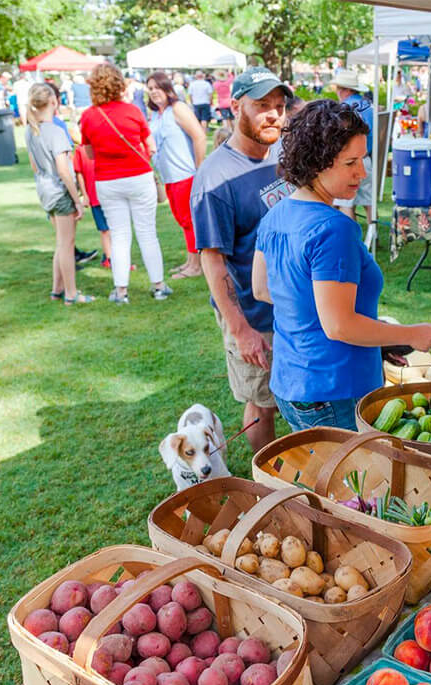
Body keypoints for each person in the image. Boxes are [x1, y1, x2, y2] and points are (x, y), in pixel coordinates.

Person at [253, 99, 431, 432]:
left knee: (320, 477)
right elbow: (339, 326)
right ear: (316, 163)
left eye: (364, 159)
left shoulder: (275, 214)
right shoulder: (333, 228)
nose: (363, 172)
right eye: (350, 163)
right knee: (351, 483)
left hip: (291, 383)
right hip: (335, 390)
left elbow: (264, 289)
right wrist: (413, 335)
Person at [190, 67, 293, 454]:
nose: (274, 115)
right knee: (262, 403)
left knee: (295, 394)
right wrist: (241, 329)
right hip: (253, 314)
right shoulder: (215, 178)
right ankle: (267, 476)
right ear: (236, 107)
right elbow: (212, 261)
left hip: (294, 305)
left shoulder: (282, 153)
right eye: (262, 105)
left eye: (280, 106)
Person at [79, 62, 171, 304]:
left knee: (119, 235)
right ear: (119, 83)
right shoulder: (133, 111)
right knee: (147, 232)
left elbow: (89, 153)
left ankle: (121, 291)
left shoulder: (88, 116)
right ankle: (159, 286)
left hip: (108, 180)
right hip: (138, 176)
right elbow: (150, 146)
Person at [23, 83, 93, 305]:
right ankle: (71, 294)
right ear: (53, 101)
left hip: (44, 190)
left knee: (61, 242)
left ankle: (57, 289)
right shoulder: (55, 131)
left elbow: (34, 165)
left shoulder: (30, 130)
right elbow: (63, 169)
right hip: (59, 192)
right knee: (67, 244)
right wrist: (77, 200)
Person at [146, 71, 207, 278]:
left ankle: (196, 266)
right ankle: (190, 260)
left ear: (167, 88)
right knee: (182, 220)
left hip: (185, 173)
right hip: (169, 176)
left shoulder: (178, 109)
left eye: (157, 87)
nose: (154, 92)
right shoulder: (156, 114)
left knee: (190, 220)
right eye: (150, 88)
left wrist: (200, 171)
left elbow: (199, 136)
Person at [330, 69, 373, 224]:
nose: (337, 92)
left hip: (349, 162)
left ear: (346, 90)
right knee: (369, 202)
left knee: (345, 204)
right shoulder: (368, 106)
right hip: (366, 160)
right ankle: (374, 237)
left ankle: (351, 241)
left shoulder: (344, 109)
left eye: (339, 88)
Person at [73, 141, 113, 270]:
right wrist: (85, 195)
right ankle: (109, 258)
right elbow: (79, 174)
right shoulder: (80, 150)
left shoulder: (104, 143)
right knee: (105, 229)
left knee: (116, 228)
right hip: (95, 195)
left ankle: (113, 256)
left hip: (111, 192)